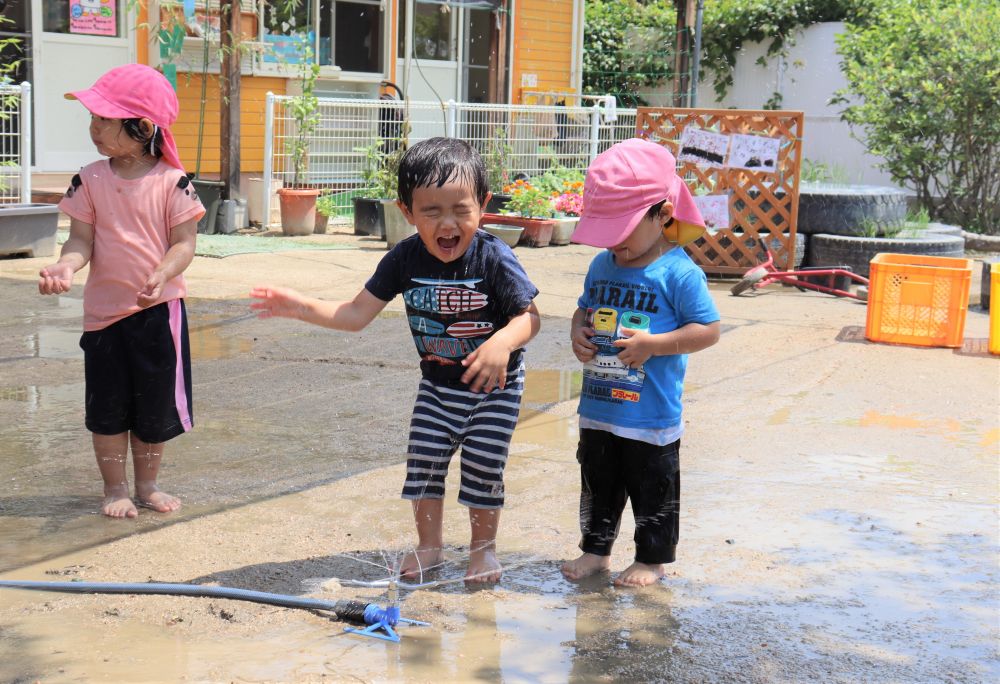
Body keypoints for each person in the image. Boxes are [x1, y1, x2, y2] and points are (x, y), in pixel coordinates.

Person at [251, 137, 540, 583]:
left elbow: (529, 318)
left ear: (482, 205)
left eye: (461, 209)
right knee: (423, 465)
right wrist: (301, 306)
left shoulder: (495, 257)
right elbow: (354, 314)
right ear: (407, 212)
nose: (448, 224)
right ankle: (430, 546)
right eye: (431, 211)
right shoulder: (403, 258)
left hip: (493, 390)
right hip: (437, 387)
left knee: (484, 468)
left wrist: (502, 343)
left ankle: (483, 552)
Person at [37, 64, 205, 519]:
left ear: (143, 128)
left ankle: (147, 485)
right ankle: (114, 488)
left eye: (104, 120)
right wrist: (65, 266)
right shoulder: (89, 179)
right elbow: (80, 242)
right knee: (107, 408)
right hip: (104, 316)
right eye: (92, 118)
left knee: (152, 408)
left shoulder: (173, 182)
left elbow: (185, 244)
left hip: (158, 312)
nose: (93, 128)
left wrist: (163, 272)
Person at [560, 137, 720, 587]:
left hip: (650, 414)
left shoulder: (679, 272)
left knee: (653, 489)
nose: (614, 244)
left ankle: (651, 559)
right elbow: (583, 309)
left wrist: (654, 343)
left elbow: (707, 330)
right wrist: (577, 331)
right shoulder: (602, 265)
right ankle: (595, 551)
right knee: (598, 483)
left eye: (622, 230)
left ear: (663, 215)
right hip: (599, 407)